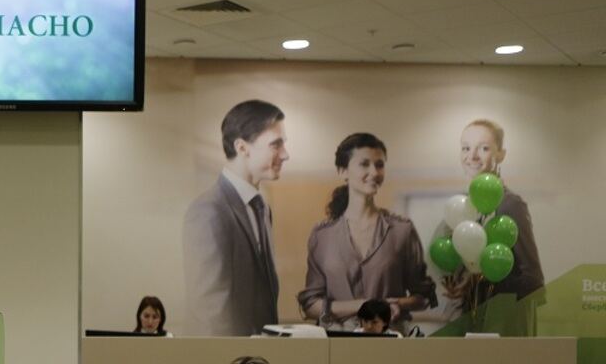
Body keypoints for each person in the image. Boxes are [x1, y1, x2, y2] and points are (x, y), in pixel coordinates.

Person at [297, 133, 435, 332]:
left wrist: (397, 305)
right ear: (343, 171)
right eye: (364, 164)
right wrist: (364, 306)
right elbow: (310, 305)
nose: (374, 172)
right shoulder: (322, 236)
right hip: (338, 342)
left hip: (389, 341)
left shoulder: (402, 231)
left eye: (379, 165)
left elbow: (424, 296)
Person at [183, 100, 288, 336]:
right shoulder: (208, 210)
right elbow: (209, 311)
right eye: (276, 144)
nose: (285, 154)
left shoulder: (262, 208)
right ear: (242, 147)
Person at [443, 120, 544, 323]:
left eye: (484, 148)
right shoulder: (465, 207)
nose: (472, 156)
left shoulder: (510, 205)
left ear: (501, 155)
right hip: (472, 324)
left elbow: (533, 281)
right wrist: (462, 284)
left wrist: (480, 280)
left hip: (503, 326)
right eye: (466, 148)